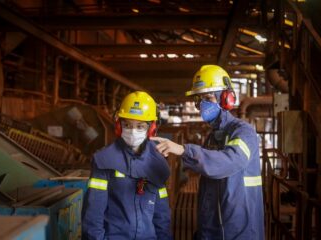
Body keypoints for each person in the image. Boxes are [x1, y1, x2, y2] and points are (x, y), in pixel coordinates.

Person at [151, 65, 265, 240]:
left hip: (239, 233)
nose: (202, 105)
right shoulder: (212, 138)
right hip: (212, 232)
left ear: (226, 98)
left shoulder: (244, 132)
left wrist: (183, 150)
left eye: (208, 97)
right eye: (199, 100)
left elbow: (228, 161)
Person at [82, 91, 172, 240]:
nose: (132, 131)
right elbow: (93, 215)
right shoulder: (104, 161)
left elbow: (162, 215)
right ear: (119, 126)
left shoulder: (158, 164)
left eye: (140, 126)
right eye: (127, 125)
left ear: (151, 128)